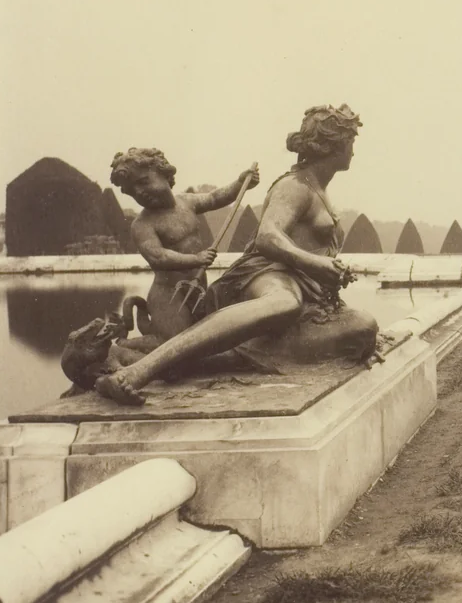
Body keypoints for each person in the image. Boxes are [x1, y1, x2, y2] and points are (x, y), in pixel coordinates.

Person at [96, 104, 376, 405]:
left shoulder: (318, 188)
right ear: (333, 144)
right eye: (350, 141)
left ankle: (191, 358)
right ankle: (139, 371)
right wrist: (315, 262)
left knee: (363, 327)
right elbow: (267, 237)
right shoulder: (294, 187)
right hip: (268, 274)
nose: (353, 150)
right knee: (285, 303)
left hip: (305, 289)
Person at [109, 147, 259, 340]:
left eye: (143, 182)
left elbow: (215, 197)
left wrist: (240, 183)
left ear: (164, 174)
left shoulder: (186, 202)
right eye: (132, 191)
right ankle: (125, 347)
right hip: (169, 296)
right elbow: (158, 256)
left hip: (198, 289)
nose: (140, 192)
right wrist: (195, 259)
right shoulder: (142, 224)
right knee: (175, 344)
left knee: (206, 341)